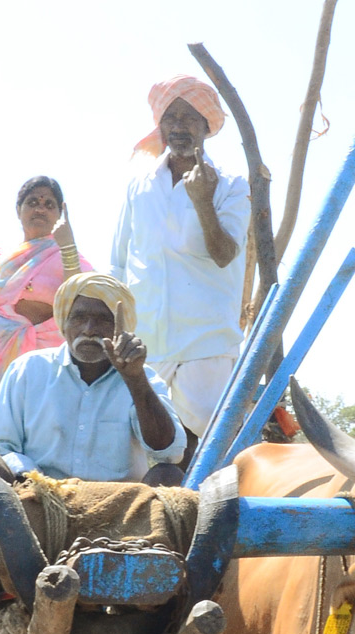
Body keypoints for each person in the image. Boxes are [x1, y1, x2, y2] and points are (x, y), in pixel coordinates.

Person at [110, 75, 251, 457]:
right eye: (170, 116)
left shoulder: (232, 185)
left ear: (207, 125)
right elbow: (120, 261)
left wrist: (202, 201)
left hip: (206, 343)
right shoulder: (139, 184)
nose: (178, 126)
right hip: (146, 347)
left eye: (190, 117)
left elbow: (225, 254)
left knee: (216, 451)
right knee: (139, 453)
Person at [0, 273, 185, 485]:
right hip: (39, 495)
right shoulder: (27, 370)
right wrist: (34, 481)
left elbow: (170, 454)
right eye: (79, 318)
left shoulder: (143, 376)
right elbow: (0, 447)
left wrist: (135, 379)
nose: (89, 330)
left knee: (168, 476)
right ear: (64, 320)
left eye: (103, 320)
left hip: (119, 505)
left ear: (122, 328)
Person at [0, 176, 92, 422]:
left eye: (49, 204)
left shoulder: (70, 257)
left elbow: (82, 301)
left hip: (45, 367)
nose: (40, 208)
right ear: (18, 210)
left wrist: (68, 246)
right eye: (32, 202)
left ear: (59, 214)